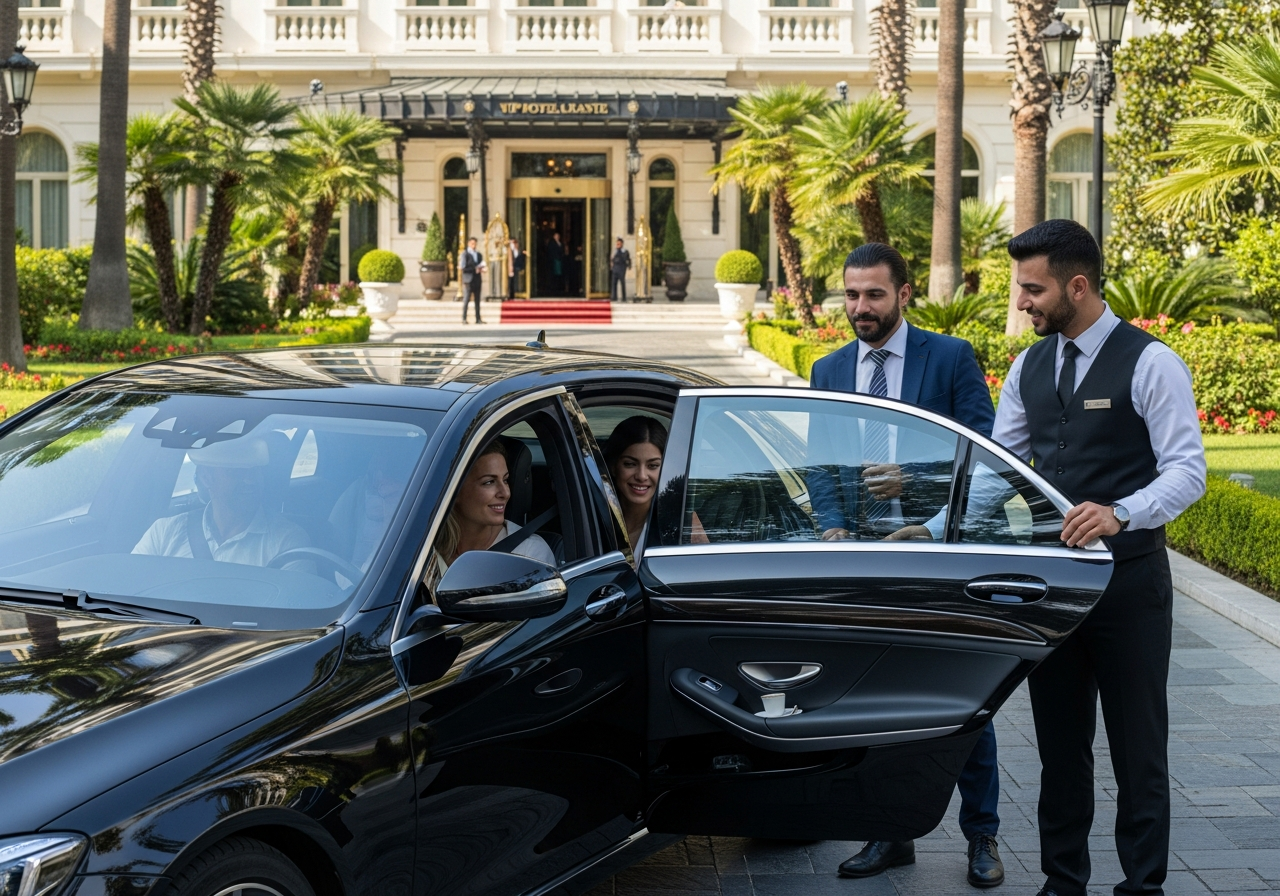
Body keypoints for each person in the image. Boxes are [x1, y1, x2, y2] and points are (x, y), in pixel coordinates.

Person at [998, 220, 1204, 896]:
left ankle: (1143, 886)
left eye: (1034, 289)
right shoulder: (1028, 366)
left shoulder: (1151, 362)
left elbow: (1188, 471)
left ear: (1077, 286)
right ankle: (1063, 882)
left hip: (1131, 587)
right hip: (1053, 587)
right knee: (1060, 750)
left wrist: (1121, 513)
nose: (1022, 302)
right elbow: (1003, 469)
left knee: (1138, 750)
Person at [810, 243, 1005, 889]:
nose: (860, 308)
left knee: (965, 699)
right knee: (880, 701)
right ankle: (889, 835)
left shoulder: (949, 358)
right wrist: (834, 526)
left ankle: (983, 837)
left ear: (904, 293)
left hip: (941, 553)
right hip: (864, 559)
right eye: (851, 295)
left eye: (872, 295)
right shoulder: (829, 368)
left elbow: (987, 458)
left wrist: (917, 489)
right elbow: (823, 467)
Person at [133, 437, 310, 568]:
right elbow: (130, 588)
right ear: (206, 478)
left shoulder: (287, 543)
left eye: (255, 471)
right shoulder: (164, 532)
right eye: (237, 471)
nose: (250, 480)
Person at [425, 440, 555, 591]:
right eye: (489, 482)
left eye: (505, 480)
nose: (505, 493)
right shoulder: (424, 548)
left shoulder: (529, 554)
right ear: (454, 491)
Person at [604, 415, 707, 550]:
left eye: (652, 466)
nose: (641, 476)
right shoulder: (591, 516)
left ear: (665, 470)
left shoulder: (682, 520)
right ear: (613, 466)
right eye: (630, 464)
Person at [459, 236, 486, 324]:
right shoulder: (465, 254)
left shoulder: (478, 254)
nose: (474, 245)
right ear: (469, 244)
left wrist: (482, 269)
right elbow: (463, 267)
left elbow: (481, 264)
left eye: (475, 244)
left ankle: (478, 318)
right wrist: (474, 269)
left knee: (477, 299)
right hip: (469, 279)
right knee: (466, 299)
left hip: (477, 279)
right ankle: (464, 318)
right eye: (472, 244)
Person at [610, 238, 632, 302]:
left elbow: (628, 259)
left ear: (622, 244)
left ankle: (624, 297)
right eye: (617, 243)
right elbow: (612, 259)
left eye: (619, 244)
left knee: (622, 283)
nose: (617, 245)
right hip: (615, 268)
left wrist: (629, 266)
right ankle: (614, 297)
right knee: (614, 283)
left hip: (622, 268)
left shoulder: (625, 251)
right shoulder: (615, 251)